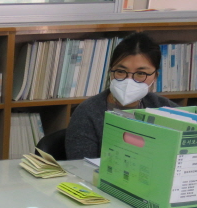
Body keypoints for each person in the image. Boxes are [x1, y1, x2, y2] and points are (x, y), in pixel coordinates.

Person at [66, 32, 177, 160]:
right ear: (110, 72)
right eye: (120, 71)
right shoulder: (88, 112)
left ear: (155, 76)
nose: (129, 80)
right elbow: (81, 165)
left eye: (141, 73)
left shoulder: (167, 110)